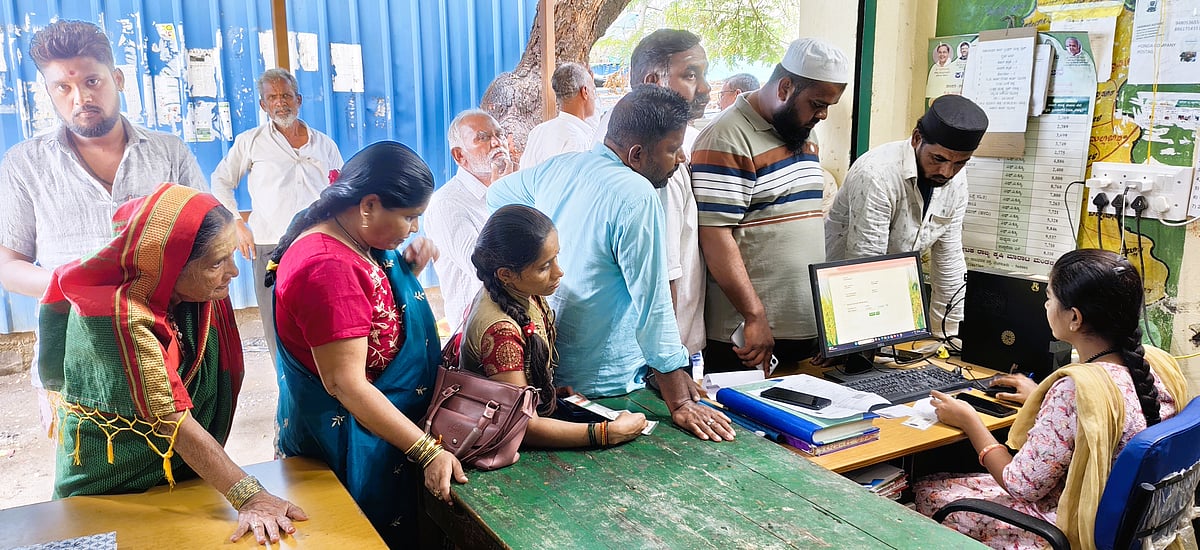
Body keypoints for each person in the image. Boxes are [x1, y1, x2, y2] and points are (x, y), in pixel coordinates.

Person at [39, 184, 305, 546]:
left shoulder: (199, 294)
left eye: (231, 256)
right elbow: (170, 421)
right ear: (167, 264)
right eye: (217, 262)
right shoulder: (114, 315)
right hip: (115, 478)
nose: (234, 272)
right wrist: (251, 496)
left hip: (182, 475)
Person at [488, 85, 734, 442]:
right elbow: (653, 306)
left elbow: (496, 196)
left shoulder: (561, 167)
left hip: (553, 372)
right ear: (636, 154)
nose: (681, 158)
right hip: (608, 387)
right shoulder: (636, 194)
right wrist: (679, 400)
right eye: (672, 149)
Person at [0, 19, 206, 433]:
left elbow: (205, 237)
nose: (81, 97)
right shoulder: (25, 164)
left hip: (165, 344)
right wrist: (80, 289)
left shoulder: (169, 152)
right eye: (63, 87)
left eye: (92, 81)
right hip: (75, 356)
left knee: (182, 472)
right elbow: (8, 264)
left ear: (117, 78)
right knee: (90, 484)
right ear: (49, 92)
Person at [914, 249, 1190, 549]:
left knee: (928, 490)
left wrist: (969, 420)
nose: (1046, 304)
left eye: (1049, 297)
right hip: (1123, 523)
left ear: (1074, 318)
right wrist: (1042, 400)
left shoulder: (1075, 390)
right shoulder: (1156, 363)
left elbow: (1021, 485)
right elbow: (1116, 417)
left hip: (1069, 527)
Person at [268, 141, 465, 545]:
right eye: (410, 217)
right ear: (368, 205)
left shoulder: (353, 236)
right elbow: (346, 385)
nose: (415, 229)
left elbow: (371, 304)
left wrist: (404, 267)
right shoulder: (327, 269)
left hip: (381, 433)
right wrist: (426, 451)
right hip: (349, 444)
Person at [691, 37, 849, 373]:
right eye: (817, 103)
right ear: (785, 87)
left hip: (804, 331)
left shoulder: (803, 131)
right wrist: (754, 315)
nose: (822, 115)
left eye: (828, 107)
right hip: (749, 337)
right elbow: (715, 237)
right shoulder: (726, 137)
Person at [461, 204, 648, 447]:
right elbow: (524, 427)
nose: (559, 272)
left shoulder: (519, 292)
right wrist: (606, 433)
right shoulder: (501, 333)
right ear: (505, 274)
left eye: (555, 257)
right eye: (544, 266)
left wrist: (545, 393)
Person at [825, 94, 988, 336]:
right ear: (916, 138)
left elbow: (949, 257)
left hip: (894, 290)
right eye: (938, 159)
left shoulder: (956, 180)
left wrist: (948, 335)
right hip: (842, 296)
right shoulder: (876, 174)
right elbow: (865, 263)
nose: (946, 172)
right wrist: (860, 340)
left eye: (960, 163)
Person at [210, 68, 343, 360]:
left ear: (299, 99)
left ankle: (327, 385)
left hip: (317, 246)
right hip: (270, 247)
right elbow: (220, 180)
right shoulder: (251, 141)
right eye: (272, 97)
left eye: (285, 95)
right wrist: (236, 223)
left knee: (324, 319)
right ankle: (288, 389)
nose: (280, 103)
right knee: (277, 325)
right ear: (263, 105)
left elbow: (340, 189)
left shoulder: (324, 144)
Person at [424, 109, 515, 327]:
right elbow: (484, 268)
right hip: (478, 334)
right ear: (459, 155)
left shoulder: (509, 188)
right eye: (483, 138)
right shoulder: (446, 204)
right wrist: (502, 200)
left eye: (500, 134)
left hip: (514, 324)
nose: (496, 143)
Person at [521, 63, 597, 168]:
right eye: (593, 90)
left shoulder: (538, 131)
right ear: (585, 92)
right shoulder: (576, 139)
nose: (595, 98)